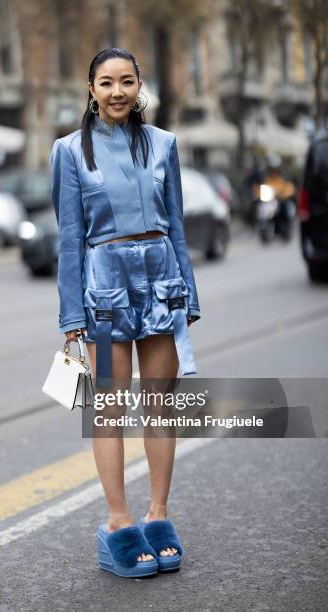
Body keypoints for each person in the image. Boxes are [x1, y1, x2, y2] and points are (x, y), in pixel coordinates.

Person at [50, 48, 201, 578]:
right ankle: (118, 521)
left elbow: (176, 222)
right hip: (105, 286)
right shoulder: (69, 151)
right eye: (107, 82)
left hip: (161, 281)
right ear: (91, 89)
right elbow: (70, 240)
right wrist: (72, 313)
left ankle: (158, 514)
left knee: (160, 405)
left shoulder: (164, 144)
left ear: (140, 87)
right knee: (109, 409)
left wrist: (190, 293)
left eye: (128, 82)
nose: (118, 92)